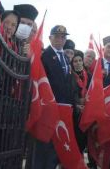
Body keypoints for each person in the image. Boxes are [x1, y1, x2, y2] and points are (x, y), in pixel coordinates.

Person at [31, 25, 75, 168]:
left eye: (63, 37)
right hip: (48, 107)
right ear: (50, 38)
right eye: (57, 36)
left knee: (56, 146)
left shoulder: (66, 58)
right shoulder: (45, 56)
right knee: (43, 145)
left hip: (63, 109)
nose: (60, 39)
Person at [70, 51, 89, 157]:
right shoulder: (69, 75)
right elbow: (68, 92)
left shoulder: (89, 75)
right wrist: (77, 104)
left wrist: (87, 101)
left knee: (83, 140)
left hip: (87, 111)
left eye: (80, 60)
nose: (78, 63)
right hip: (74, 112)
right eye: (75, 61)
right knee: (75, 138)